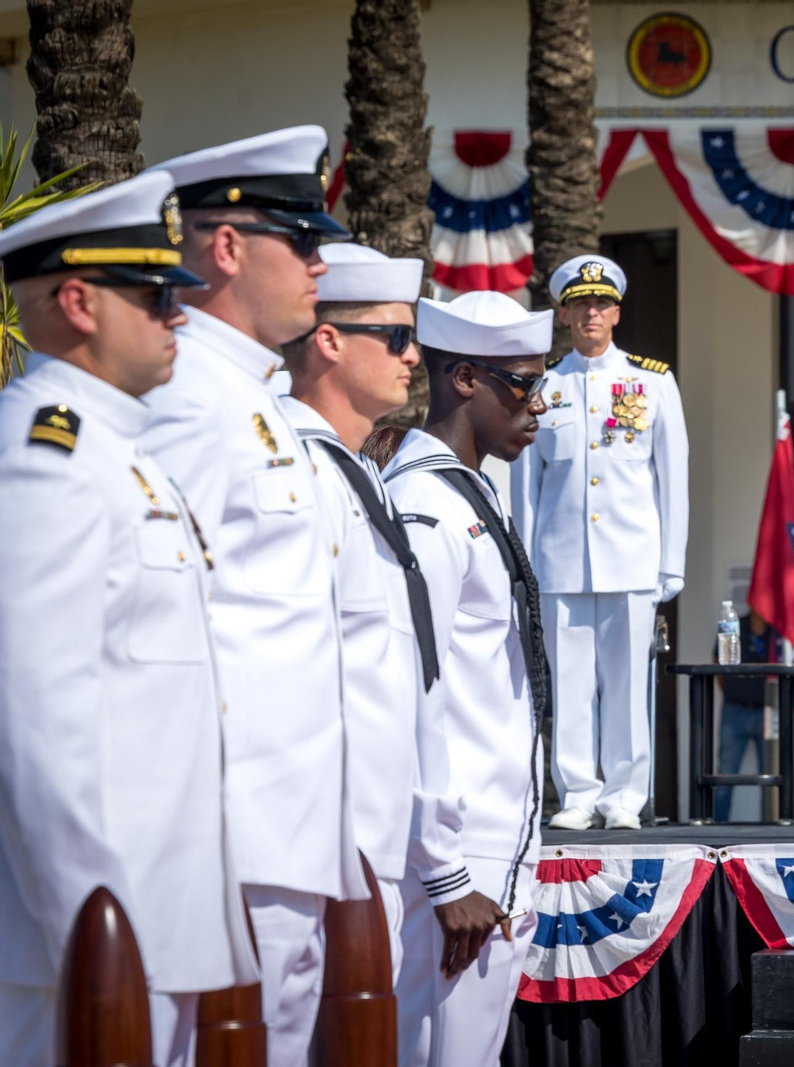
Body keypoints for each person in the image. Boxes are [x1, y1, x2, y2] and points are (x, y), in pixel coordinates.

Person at [0, 170, 257, 1066]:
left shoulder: (123, 452)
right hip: (83, 943)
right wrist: (90, 924)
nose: (177, 315)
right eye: (153, 297)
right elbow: (37, 718)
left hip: (154, 923)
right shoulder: (46, 456)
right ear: (78, 302)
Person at [140, 125, 366, 1065]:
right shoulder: (184, 396)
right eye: (302, 239)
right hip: (226, 837)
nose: (321, 262)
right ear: (228, 246)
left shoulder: (254, 396)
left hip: (284, 830)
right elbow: (154, 631)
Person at [382, 290, 552, 1067]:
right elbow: (408, 688)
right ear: (464, 380)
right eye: (522, 384)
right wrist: (446, 872)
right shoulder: (427, 503)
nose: (538, 404)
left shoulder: (469, 490)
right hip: (453, 857)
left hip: (488, 844)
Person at [278, 242, 438, 992]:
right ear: (329, 341)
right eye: (396, 336)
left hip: (375, 844)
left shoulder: (358, 469)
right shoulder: (293, 470)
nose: (413, 357)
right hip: (316, 852)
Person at [508, 253, 689, 831]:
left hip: (633, 561)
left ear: (616, 312)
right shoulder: (543, 386)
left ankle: (624, 797)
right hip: (560, 562)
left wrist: (671, 565)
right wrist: (525, 565)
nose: (592, 312)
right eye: (580, 303)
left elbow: (672, 478)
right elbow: (526, 486)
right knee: (570, 684)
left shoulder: (653, 382)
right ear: (563, 314)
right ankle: (577, 795)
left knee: (628, 685)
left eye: (602, 303)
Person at [714, 608, 774, 823]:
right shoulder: (734, 626)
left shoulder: (777, 631)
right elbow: (718, 664)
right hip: (735, 710)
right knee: (725, 775)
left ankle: (772, 827)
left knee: (771, 776)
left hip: (767, 711)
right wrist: (735, 692)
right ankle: (717, 828)